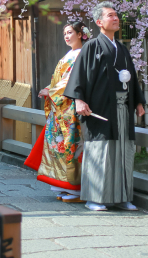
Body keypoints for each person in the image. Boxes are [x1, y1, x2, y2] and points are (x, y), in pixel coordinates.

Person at [64, 1, 146, 211]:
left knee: (123, 151)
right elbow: (78, 75)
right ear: (99, 22)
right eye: (111, 15)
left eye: (116, 15)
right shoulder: (91, 46)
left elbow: (132, 78)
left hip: (122, 108)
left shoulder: (122, 49)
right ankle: (95, 198)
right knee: (100, 151)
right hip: (99, 109)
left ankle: (122, 197)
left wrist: (137, 101)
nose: (116, 18)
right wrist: (79, 100)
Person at [24, 21, 91, 202]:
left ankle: (75, 188)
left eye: (70, 32)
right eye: (65, 34)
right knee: (58, 147)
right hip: (59, 107)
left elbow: (73, 80)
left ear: (80, 34)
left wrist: (51, 92)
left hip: (70, 107)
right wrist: (49, 89)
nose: (67, 36)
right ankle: (60, 185)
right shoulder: (69, 54)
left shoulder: (82, 54)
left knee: (70, 146)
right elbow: (58, 80)